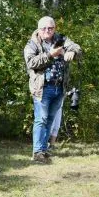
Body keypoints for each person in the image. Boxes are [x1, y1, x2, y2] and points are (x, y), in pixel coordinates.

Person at [23, 16, 82, 163]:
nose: (47, 30)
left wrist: (73, 52)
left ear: (54, 28)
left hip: (60, 87)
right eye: (44, 28)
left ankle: (43, 150)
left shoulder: (61, 39)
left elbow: (77, 47)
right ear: (39, 29)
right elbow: (31, 63)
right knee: (41, 119)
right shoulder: (32, 44)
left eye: (50, 28)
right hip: (42, 88)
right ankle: (37, 152)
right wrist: (51, 54)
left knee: (49, 119)